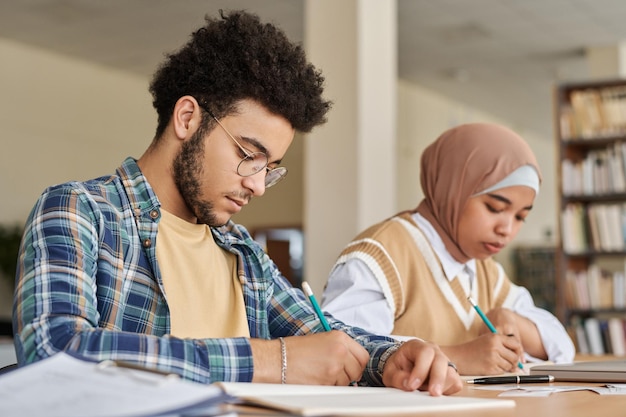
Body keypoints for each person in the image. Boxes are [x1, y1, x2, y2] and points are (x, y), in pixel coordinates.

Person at [12, 10, 462, 395]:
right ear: (187, 118)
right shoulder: (79, 211)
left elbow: (323, 335)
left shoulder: (242, 253)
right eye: (249, 156)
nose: (259, 186)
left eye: (270, 167)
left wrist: (394, 357)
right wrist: (272, 361)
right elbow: (54, 351)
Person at [322, 122, 576, 376]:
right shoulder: (380, 257)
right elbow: (342, 353)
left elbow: (562, 346)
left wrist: (512, 321)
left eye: (521, 217)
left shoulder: (485, 270)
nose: (506, 229)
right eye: (495, 208)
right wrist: (460, 357)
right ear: (453, 188)